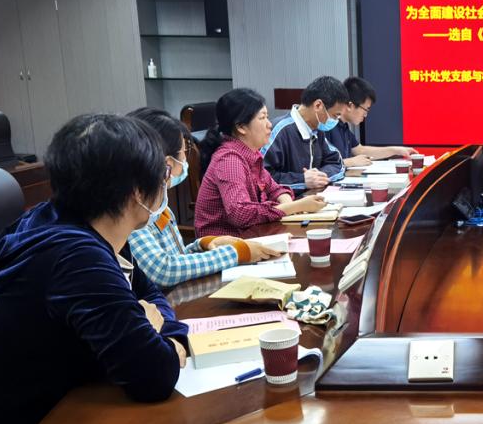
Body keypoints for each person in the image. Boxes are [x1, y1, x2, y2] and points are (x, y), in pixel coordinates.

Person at [0, 114, 189, 424]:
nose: (166, 182)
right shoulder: (76, 255)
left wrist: (159, 327)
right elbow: (154, 377)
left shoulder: (88, 224)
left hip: (77, 410)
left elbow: (152, 294)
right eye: (161, 175)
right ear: (136, 192)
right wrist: (162, 336)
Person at [126, 107, 284, 287]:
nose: (185, 160)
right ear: (166, 162)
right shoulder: (136, 209)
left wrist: (204, 244)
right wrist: (238, 253)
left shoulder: (160, 203)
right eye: (184, 151)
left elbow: (178, 257)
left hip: (181, 291)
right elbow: (165, 269)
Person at [195, 88, 326, 238]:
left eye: (267, 117)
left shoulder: (251, 155)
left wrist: (288, 203)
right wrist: (294, 207)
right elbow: (240, 213)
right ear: (241, 127)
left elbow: (274, 189)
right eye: (262, 118)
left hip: (250, 235)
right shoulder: (229, 160)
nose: (269, 124)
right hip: (224, 244)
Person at [263, 76, 347, 191]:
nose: (336, 121)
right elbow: (261, 178)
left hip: (312, 197)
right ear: (318, 105)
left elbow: (337, 163)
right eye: (335, 115)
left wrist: (320, 176)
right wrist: (302, 180)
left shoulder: (317, 130)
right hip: (287, 200)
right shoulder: (279, 131)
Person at [328, 76, 412, 168]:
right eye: (366, 109)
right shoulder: (327, 126)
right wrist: (350, 162)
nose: (365, 115)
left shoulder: (343, 127)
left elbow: (359, 150)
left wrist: (396, 150)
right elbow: (322, 166)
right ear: (350, 105)